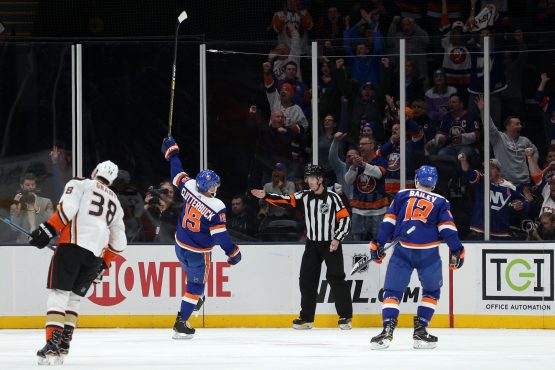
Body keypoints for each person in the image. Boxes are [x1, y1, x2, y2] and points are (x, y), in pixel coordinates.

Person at [28, 160, 127, 365]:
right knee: (74, 299)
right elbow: (119, 242)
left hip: (72, 246)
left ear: (95, 170)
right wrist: (104, 264)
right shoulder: (116, 202)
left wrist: (46, 231)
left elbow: (68, 209)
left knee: (59, 294)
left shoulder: (82, 183)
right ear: (113, 180)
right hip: (95, 256)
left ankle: (52, 343)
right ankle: (64, 345)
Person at [369, 165, 465, 350]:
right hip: (428, 253)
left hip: (402, 250)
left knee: (392, 292)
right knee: (431, 292)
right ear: (434, 183)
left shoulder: (403, 194)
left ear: (416, 179)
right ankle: (420, 331)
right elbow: (447, 229)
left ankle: (387, 331)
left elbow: (388, 221)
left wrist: (379, 242)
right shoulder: (441, 201)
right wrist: (457, 249)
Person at [251, 164, 352, 330]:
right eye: (308, 178)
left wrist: (337, 238)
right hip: (312, 244)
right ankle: (306, 318)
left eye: (313, 178)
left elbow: (345, 220)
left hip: (330, 244)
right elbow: (285, 200)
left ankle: (345, 317)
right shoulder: (305, 196)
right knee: (306, 280)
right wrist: (267, 195)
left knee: (336, 278)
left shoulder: (333, 197)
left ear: (321, 179)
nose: (310, 182)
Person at [161, 136, 241, 339]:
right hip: (198, 253)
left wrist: (172, 152)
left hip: (180, 246)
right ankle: (181, 323)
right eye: (214, 186)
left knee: (192, 281)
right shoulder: (216, 206)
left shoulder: (189, 187)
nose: (215, 188)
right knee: (195, 286)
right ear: (209, 187)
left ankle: (192, 301)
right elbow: (220, 235)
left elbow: (177, 172)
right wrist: (233, 252)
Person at [9, 172, 54, 244]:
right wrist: (17, 210)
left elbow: (52, 224)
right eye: (27, 185)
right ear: (22, 186)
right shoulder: (16, 204)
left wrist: (37, 209)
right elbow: (14, 228)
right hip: (23, 244)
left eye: (33, 185)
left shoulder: (46, 202)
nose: (31, 187)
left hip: (44, 243)